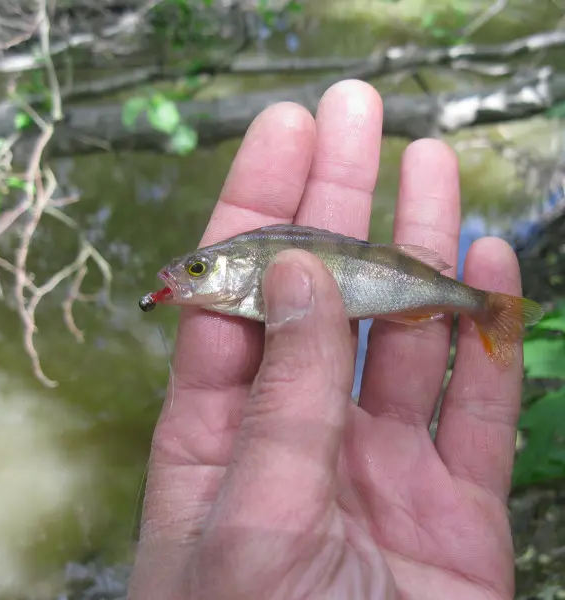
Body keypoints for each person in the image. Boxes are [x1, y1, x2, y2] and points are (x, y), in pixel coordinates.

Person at [128, 80, 524, 600]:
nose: (186, 278)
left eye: (199, 269)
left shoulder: (255, 278)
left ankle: (491, 311)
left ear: (239, 269)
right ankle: (489, 309)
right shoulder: (236, 281)